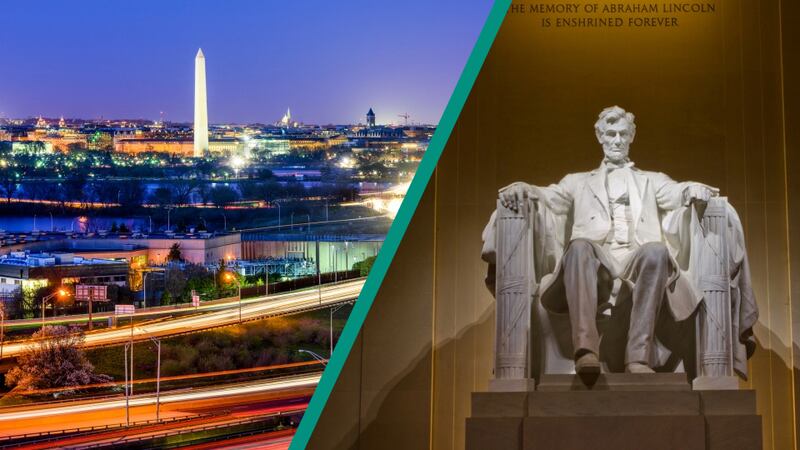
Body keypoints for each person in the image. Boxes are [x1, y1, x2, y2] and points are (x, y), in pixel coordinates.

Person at [497, 106, 718, 374]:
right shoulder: (578, 181)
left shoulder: (651, 180)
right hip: (596, 261)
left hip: (636, 258)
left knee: (657, 251)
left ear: (631, 137)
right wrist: (526, 188)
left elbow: (674, 192)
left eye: (623, 134)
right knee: (578, 246)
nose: (617, 140)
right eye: (610, 134)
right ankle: (586, 351)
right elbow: (550, 196)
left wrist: (690, 188)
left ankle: (638, 357)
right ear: (600, 137)